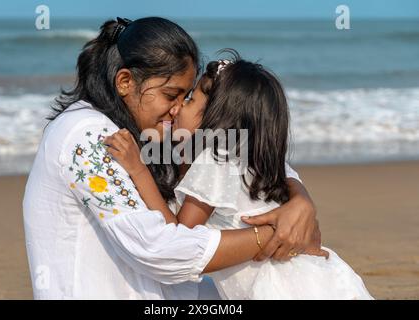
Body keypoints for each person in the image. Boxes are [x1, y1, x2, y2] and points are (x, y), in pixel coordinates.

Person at [23, 17, 323, 299]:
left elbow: (250, 158)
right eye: (171, 95)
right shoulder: (90, 136)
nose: (178, 109)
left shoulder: (144, 130)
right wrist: (272, 233)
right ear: (125, 81)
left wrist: (300, 201)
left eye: (186, 97)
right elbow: (158, 249)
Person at [106, 55, 374, 299]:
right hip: (316, 278)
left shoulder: (215, 161)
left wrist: (138, 170)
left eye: (189, 100)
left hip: (281, 288)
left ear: (215, 118)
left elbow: (177, 235)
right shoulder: (244, 159)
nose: (177, 109)